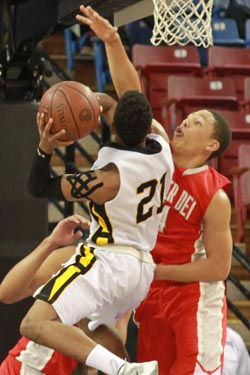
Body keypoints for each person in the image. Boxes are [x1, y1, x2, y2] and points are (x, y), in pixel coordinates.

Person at [75, 5, 233, 375]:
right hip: (150, 293)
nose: (184, 124)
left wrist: (155, 271)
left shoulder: (216, 195)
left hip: (193, 300)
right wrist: (113, 41)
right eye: (187, 118)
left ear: (211, 145)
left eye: (196, 123)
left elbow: (219, 266)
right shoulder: (157, 152)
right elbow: (132, 95)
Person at [20, 74, 174, 374]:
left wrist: (45, 146)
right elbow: (114, 105)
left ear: (113, 127)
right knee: (90, 328)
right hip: (140, 272)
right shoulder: (161, 146)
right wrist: (91, 100)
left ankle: (122, 369)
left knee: (34, 323)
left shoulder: (105, 180)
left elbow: (38, 187)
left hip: (107, 262)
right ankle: (124, 367)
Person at [0, 214, 127, 375]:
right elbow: (7, 293)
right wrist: (50, 243)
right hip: (28, 367)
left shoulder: (130, 276)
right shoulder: (76, 256)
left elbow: (114, 347)